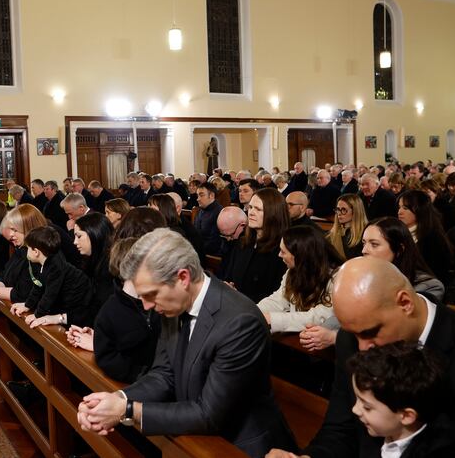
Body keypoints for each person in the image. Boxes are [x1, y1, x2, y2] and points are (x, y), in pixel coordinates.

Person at [266, 256, 455, 458]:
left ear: (404, 303)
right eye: (354, 335)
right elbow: (341, 429)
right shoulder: (352, 338)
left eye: (371, 332)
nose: (363, 349)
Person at [76, 229, 297, 457]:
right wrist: (118, 398)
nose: (146, 306)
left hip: (241, 444)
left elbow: (210, 415)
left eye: (151, 294)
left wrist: (128, 409)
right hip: (194, 432)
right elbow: (163, 373)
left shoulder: (240, 322)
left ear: (183, 278)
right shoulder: (173, 303)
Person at [66, 219, 164, 383]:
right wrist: (99, 342)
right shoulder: (112, 310)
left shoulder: (155, 302)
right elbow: (114, 358)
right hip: (138, 384)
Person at [347, 341, 454, 457]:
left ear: (407, 416)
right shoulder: (374, 430)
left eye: (367, 407)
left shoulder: (439, 450)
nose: (355, 409)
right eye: (357, 398)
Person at [257, 225, 342, 333]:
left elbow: (319, 317)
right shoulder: (293, 271)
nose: (279, 255)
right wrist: (254, 311)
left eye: (283, 252)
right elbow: (278, 300)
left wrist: (272, 319)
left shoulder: (337, 277)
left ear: (300, 255)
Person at [12, 226, 93, 328]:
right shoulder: (46, 263)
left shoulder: (56, 267)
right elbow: (38, 286)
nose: (26, 251)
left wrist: (38, 315)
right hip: (67, 300)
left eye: (28, 248)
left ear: (36, 252)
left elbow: (50, 294)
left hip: (78, 301)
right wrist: (27, 305)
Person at [222, 188, 289, 303]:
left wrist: (238, 296)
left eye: (258, 209)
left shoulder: (283, 250)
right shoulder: (242, 243)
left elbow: (278, 296)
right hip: (233, 305)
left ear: (273, 213)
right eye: (251, 207)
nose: (251, 212)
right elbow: (228, 275)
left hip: (261, 312)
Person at [0, 204, 48, 304]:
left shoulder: (38, 252)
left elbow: (23, 294)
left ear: (28, 226)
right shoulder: (21, 248)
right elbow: (5, 277)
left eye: (14, 230)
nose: (11, 234)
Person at [362, 217, 445, 302]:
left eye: (374, 244)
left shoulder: (429, 286)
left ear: (399, 250)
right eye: (364, 243)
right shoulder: (363, 279)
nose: (364, 250)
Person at [397, 190, 453, 284]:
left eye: (405, 208)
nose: (399, 212)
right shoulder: (399, 233)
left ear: (419, 210)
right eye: (399, 207)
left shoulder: (433, 240)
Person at [73, 212, 115, 317]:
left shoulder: (109, 267)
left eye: (79, 236)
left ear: (95, 234)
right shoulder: (93, 260)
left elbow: (99, 307)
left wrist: (61, 318)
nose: (74, 242)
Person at [149, 194, 205, 263]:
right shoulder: (165, 227)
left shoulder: (175, 232)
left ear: (164, 210)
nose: (148, 213)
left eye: (152, 209)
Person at [327, 194, 368, 259]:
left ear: (355, 211)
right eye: (338, 209)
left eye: (343, 210)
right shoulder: (332, 234)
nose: (339, 213)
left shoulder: (366, 234)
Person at [193, 182, 224, 256]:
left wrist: (195, 250)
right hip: (199, 251)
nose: (198, 199)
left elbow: (214, 242)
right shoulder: (201, 210)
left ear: (212, 195)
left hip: (211, 255)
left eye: (201, 195)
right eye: (197, 195)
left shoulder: (219, 212)